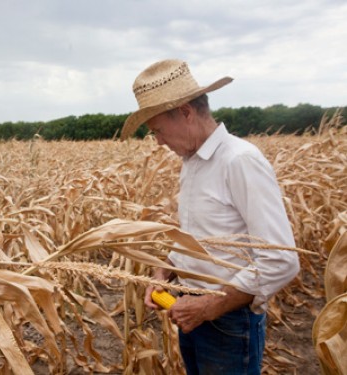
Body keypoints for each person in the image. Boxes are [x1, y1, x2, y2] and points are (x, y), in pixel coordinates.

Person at [121, 59, 300, 374]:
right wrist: (165, 271)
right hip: (194, 313)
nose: (158, 141)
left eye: (158, 130)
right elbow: (200, 238)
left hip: (228, 321)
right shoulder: (192, 162)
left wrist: (210, 306)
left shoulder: (239, 161)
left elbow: (280, 260)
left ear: (187, 113)